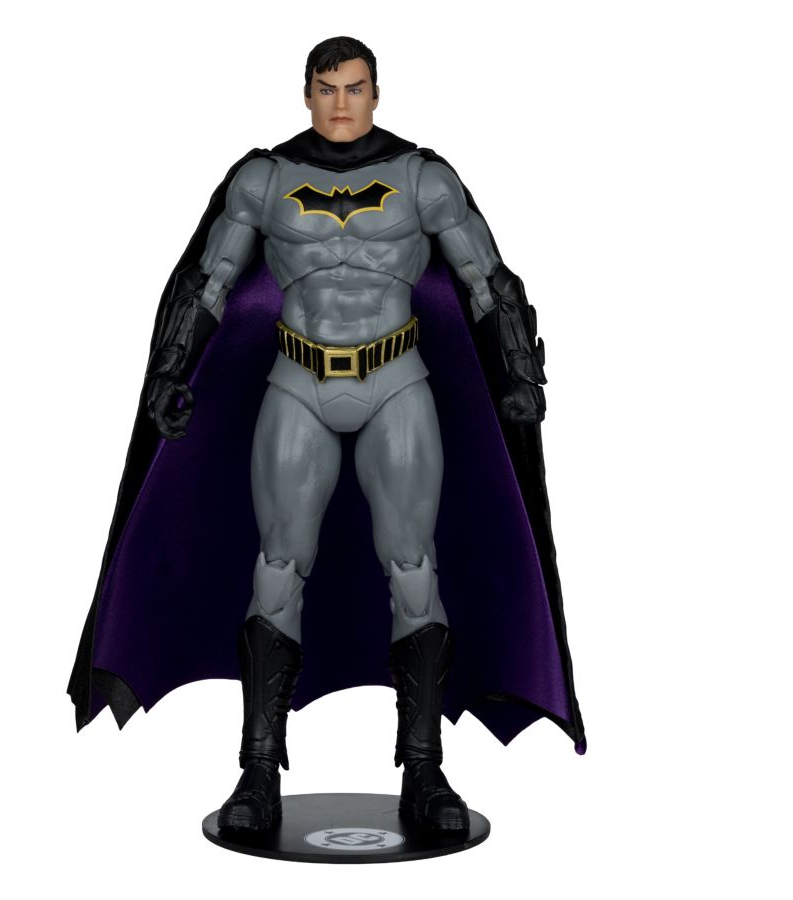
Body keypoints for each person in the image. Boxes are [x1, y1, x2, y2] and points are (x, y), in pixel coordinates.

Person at [68, 35, 584, 836]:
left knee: (414, 568)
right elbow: (208, 282)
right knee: (276, 569)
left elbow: (487, 282)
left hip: (397, 381)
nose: (341, 103)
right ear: (306, 93)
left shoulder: (423, 178)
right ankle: (256, 776)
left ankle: (425, 775)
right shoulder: (265, 179)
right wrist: (170, 371)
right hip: (297, 382)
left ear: (377, 93)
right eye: (327, 87)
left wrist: (520, 375)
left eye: (355, 87)